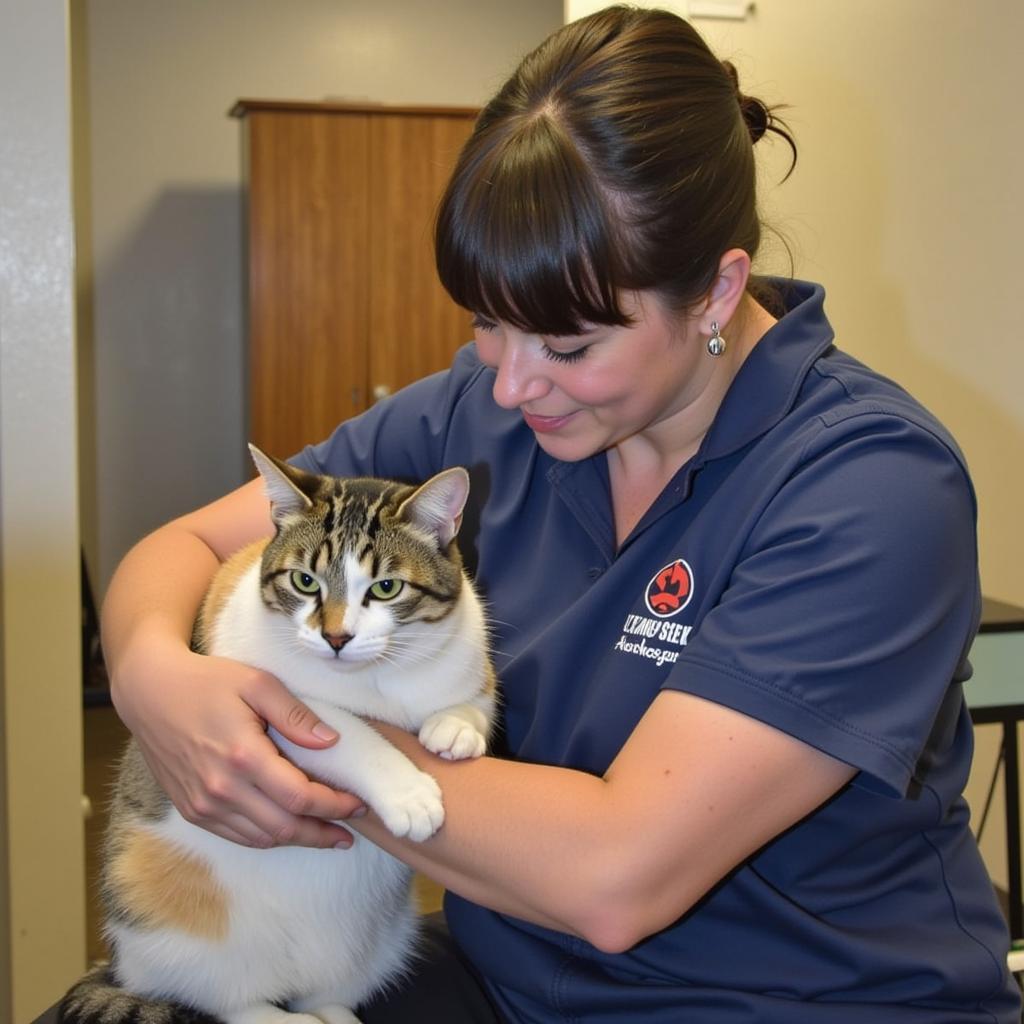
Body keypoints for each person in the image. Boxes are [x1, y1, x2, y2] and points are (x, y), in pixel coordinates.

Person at [102, 6, 1020, 1022]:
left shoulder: (868, 484)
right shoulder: (475, 415)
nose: (510, 386)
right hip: (519, 984)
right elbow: (183, 547)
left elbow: (614, 878)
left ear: (716, 294)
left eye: (569, 346)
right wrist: (154, 682)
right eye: (489, 322)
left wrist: (281, 738)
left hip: (792, 1004)